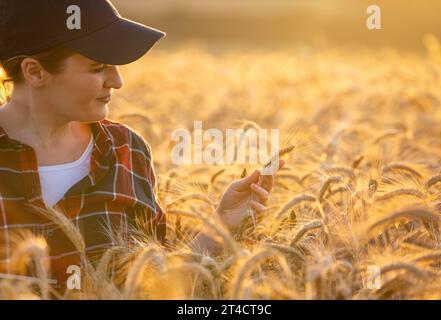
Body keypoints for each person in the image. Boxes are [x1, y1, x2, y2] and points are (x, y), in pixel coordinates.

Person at [0, 0, 283, 289]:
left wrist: (222, 223)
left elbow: (155, 279)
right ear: (34, 72)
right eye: (98, 67)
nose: (117, 81)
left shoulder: (127, 150)